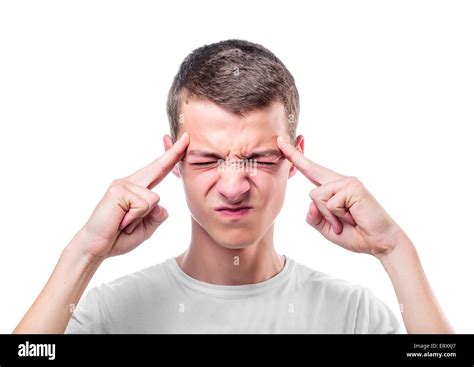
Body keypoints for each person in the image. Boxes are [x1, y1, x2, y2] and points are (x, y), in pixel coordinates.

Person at [14, 39, 453, 334]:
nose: (233, 187)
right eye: (207, 159)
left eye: (260, 159)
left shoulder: (354, 316)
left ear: (295, 158)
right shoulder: (109, 314)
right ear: (174, 162)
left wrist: (396, 251)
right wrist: (84, 253)